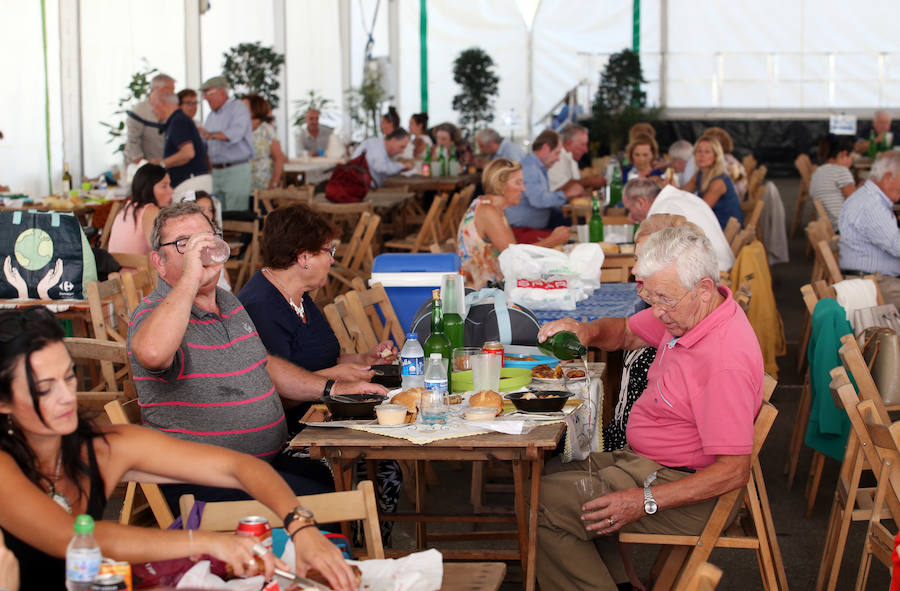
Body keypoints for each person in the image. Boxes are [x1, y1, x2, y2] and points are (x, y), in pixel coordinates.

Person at [0, 306, 358, 591]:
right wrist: (208, 543)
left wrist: (301, 526)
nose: (66, 397)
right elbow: (71, 537)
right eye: (45, 388)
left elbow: (238, 467)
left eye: (68, 377)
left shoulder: (100, 448)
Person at [535, 224, 764, 591]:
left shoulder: (723, 361)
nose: (656, 313)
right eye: (651, 298)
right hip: (649, 463)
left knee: (540, 506)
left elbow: (733, 472)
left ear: (704, 289)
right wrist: (587, 331)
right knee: (539, 474)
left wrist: (643, 501)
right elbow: (627, 331)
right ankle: (620, 583)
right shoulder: (690, 314)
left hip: (688, 487)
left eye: (663, 300)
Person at [127, 202, 386, 509]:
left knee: (334, 477)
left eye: (206, 240)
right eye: (185, 244)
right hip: (201, 480)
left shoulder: (229, 303)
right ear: (159, 261)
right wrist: (189, 279)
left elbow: (263, 364)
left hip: (256, 466)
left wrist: (332, 388)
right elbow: (152, 353)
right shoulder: (153, 313)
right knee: (325, 497)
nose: (201, 252)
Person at [238, 204, 398, 430]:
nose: (332, 260)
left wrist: (363, 360)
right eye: (328, 251)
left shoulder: (298, 295)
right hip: (293, 433)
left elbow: (318, 359)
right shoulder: (261, 307)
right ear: (304, 257)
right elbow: (274, 397)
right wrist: (335, 380)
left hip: (324, 416)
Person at [457, 159, 570, 288]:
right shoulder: (487, 211)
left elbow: (514, 250)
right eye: (518, 183)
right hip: (481, 296)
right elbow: (514, 259)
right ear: (500, 185)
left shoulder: (495, 209)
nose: (523, 189)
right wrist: (552, 241)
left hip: (494, 289)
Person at [621, 178, 735, 272]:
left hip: (713, 277)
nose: (629, 218)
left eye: (629, 210)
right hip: (719, 269)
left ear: (641, 202)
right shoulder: (679, 196)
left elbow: (660, 261)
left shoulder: (664, 210)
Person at [838, 150, 900, 309]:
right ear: (888, 177)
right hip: (873, 285)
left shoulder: (869, 196)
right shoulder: (872, 205)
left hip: (873, 280)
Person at [505, 129, 584, 233]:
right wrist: (566, 194)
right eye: (557, 153)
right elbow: (539, 200)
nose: (558, 159)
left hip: (534, 227)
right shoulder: (530, 168)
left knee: (577, 226)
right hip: (524, 230)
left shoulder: (538, 167)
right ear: (546, 148)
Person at [197, 76, 254, 212]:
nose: (205, 98)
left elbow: (235, 134)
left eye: (208, 93)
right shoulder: (210, 116)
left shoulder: (238, 108)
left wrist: (211, 135)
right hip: (216, 171)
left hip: (236, 169)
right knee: (217, 214)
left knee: (235, 215)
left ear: (222, 92)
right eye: (204, 95)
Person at [149, 91, 211, 195]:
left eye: (153, 105)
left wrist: (162, 163)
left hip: (190, 183)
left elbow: (188, 153)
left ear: (163, 103)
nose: (152, 110)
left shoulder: (178, 121)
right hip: (191, 181)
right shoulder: (178, 120)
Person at [106, 164, 173, 255]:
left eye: (170, 185)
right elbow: (161, 251)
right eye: (164, 186)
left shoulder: (128, 206)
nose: (171, 191)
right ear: (148, 189)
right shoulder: (150, 210)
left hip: (117, 267)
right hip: (138, 268)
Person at [681, 137, 743, 229]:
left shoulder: (719, 181)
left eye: (707, 152)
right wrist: (665, 186)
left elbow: (701, 210)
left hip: (725, 233)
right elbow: (682, 192)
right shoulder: (700, 174)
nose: (702, 155)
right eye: (699, 151)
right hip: (711, 226)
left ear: (716, 156)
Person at [124, 73, 174, 164]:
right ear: (156, 89)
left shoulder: (170, 109)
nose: (172, 93)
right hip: (144, 168)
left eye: (173, 90)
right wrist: (144, 166)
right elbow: (132, 142)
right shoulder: (139, 111)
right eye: (169, 89)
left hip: (164, 167)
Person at [810, 134, 857, 229]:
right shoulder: (841, 171)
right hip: (843, 228)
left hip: (827, 227)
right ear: (844, 154)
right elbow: (856, 202)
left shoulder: (818, 172)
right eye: (852, 156)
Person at [241, 94, 286, 191]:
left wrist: (273, 184)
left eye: (244, 105)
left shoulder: (267, 130)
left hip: (263, 189)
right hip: (240, 189)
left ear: (254, 108)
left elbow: (278, 159)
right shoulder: (238, 129)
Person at [548, 123, 606, 192]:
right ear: (569, 143)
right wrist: (589, 182)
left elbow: (574, 188)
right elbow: (558, 187)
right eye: (582, 145)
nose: (586, 150)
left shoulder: (571, 158)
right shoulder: (556, 158)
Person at [700, 127, 747, 199]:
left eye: (717, 143)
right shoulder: (727, 158)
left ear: (723, 144)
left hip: (730, 199)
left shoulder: (726, 161)